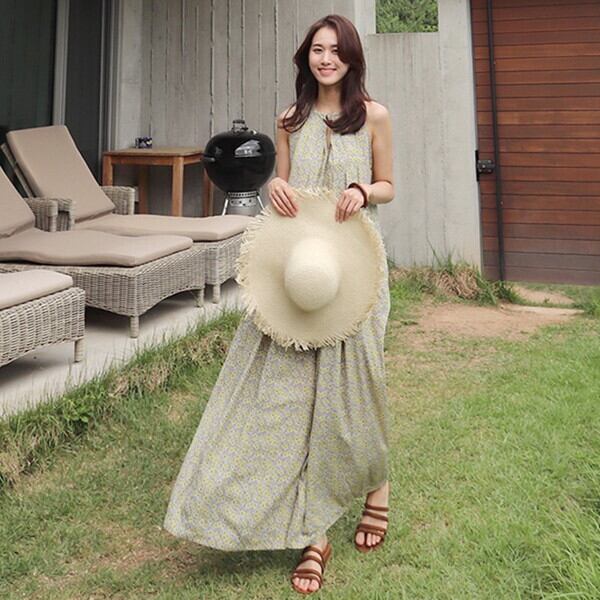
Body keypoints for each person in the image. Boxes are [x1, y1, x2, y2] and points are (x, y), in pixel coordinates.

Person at [162, 13, 394, 596]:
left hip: (356, 270)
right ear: (305, 58)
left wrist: (362, 189)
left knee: (358, 388)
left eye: (335, 50)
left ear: (351, 58)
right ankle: (315, 535)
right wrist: (275, 186)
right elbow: (280, 188)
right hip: (300, 272)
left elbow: (389, 185)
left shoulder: (374, 116)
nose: (326, 59)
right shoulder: (289, 119)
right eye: (317, 50)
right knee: (292, 399)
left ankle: (377, 485)